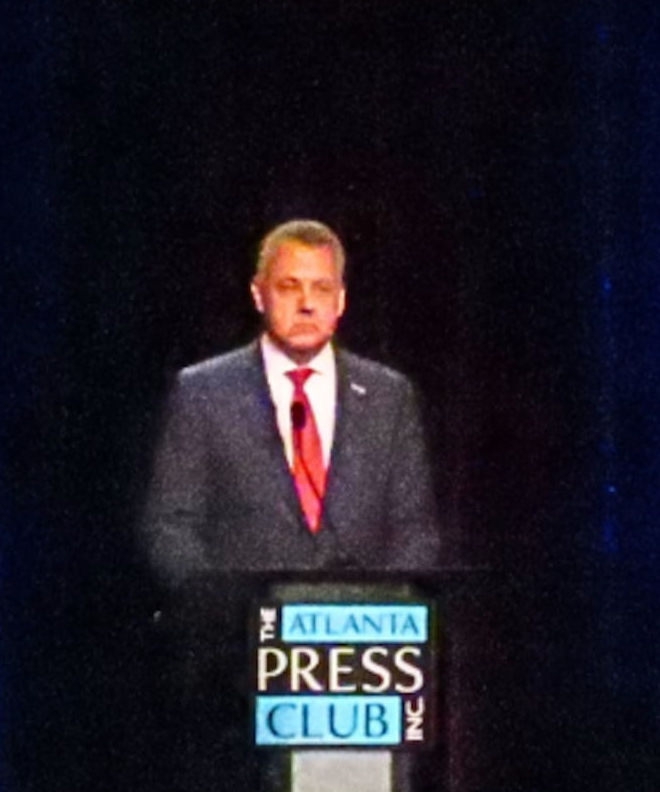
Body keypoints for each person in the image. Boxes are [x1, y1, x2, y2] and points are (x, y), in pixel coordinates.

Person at [141, 220, 444, 586]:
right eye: (289, 287)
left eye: (322, 288)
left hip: (362, 632)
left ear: (341, 300)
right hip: (242, 632)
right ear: (258, 294)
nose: (306, 304)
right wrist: (221, 607)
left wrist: (378, 610)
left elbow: (415, 531)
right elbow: (171, 527)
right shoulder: (203, 392)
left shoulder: (389, 397)